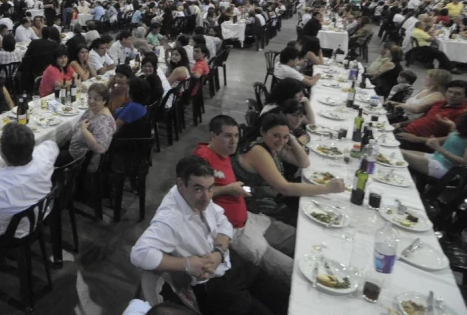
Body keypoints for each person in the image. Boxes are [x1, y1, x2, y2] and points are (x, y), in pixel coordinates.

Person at [130, 157, 287, 315]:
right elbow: (139, 254)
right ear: (180, 184)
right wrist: (186, 264)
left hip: (230, 259)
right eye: (198, 189)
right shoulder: (170, 219)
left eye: (210, 188)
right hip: (216, 284)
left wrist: (218, 252)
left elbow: (223, 223)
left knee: (284, 297)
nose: (207, 197)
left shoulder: (197, 197)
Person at [193, 116, 294, 285]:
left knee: (297, 238)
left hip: (250, 218)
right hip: (236, 232)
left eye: (236, 136)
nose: (233, 141)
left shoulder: (224, 154)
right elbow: (194, 195)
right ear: (212, 136)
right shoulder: (202, 158)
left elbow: (229, 186)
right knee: (290, 270)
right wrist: (228, 189)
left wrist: (248, 190)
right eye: (227, 136)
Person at [232, 114, 344, 225]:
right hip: (257, 206)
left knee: (321, 208)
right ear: (262, 132)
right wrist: (327, 188)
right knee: (314, 220)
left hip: (274, 198)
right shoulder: (257, 151)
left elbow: (304, 163)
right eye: (276, 135)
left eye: (285, 136)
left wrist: (292, 140)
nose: (281, 141)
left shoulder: (271, 145)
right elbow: (284, 188)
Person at [394, 80, 467, 148]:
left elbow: (455, 138)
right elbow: (423, 118)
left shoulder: (463, 113)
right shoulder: (439, 103)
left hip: (421, 142)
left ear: (465, 97)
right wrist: (401, 124)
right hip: (405, 130)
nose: (452, 95)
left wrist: (417, 139)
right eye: (450, 91)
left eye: (458, 94)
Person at [63, 83, 116, 172]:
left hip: (81, 161)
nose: (91, 101)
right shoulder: (92, 110)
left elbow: (100, 148)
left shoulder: (104, 121)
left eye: (96, 99)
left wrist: (84, 130)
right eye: (89, 97)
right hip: (75, 151)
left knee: (47, 161)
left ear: (104, 101)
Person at [402, 115, 467, 179]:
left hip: (444, 168)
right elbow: (454, 140)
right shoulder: (462, 130)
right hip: (435, 157)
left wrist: (439, 149)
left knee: (401, 154)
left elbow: (464, 162)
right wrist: (452, 126)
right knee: (398, 151)